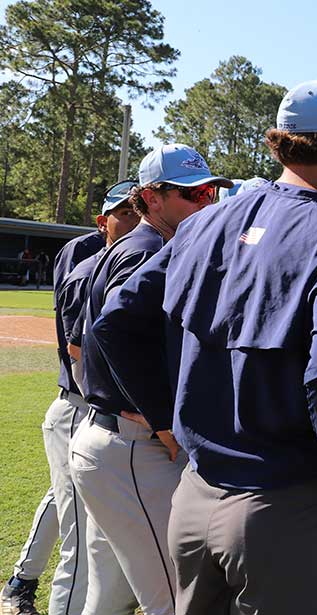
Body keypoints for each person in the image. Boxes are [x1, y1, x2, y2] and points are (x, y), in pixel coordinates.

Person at [90, 78, 317, 614]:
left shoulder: (205, 221)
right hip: (284, 507)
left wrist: (164, 420)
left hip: (194, 496)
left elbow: (114, 321)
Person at [70, 144, 230, 615]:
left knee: (110, 596)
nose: (206, 203)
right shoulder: (151, 249)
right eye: (192, 193)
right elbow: (110, 330)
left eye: (210, 193)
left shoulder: (135, 246)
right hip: (136, 447)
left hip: (113, 443)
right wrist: (162, 420)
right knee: (177, 599)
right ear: (151, 198)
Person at [0, 186, 134, 615]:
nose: (133, 218)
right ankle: (32, 589)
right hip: (82, 409)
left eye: (138, 207)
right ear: (104, 220)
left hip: (91, 413)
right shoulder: (86, 253)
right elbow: (77, 344)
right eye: (123, 212)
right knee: (80, 537)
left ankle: (20, 580)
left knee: (63, 501)